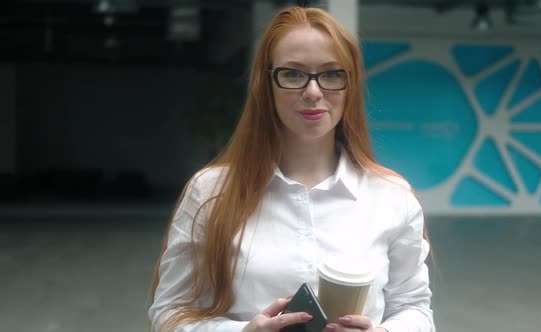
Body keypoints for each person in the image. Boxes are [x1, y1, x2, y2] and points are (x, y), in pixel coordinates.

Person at [148, 6, 434, 332]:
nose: (313, 92)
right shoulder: (211, 191)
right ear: (266, 84)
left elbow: (415, 309)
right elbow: (170, 314)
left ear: (349, 85)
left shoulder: (391, 196)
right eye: (294, 74)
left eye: (331, 74)